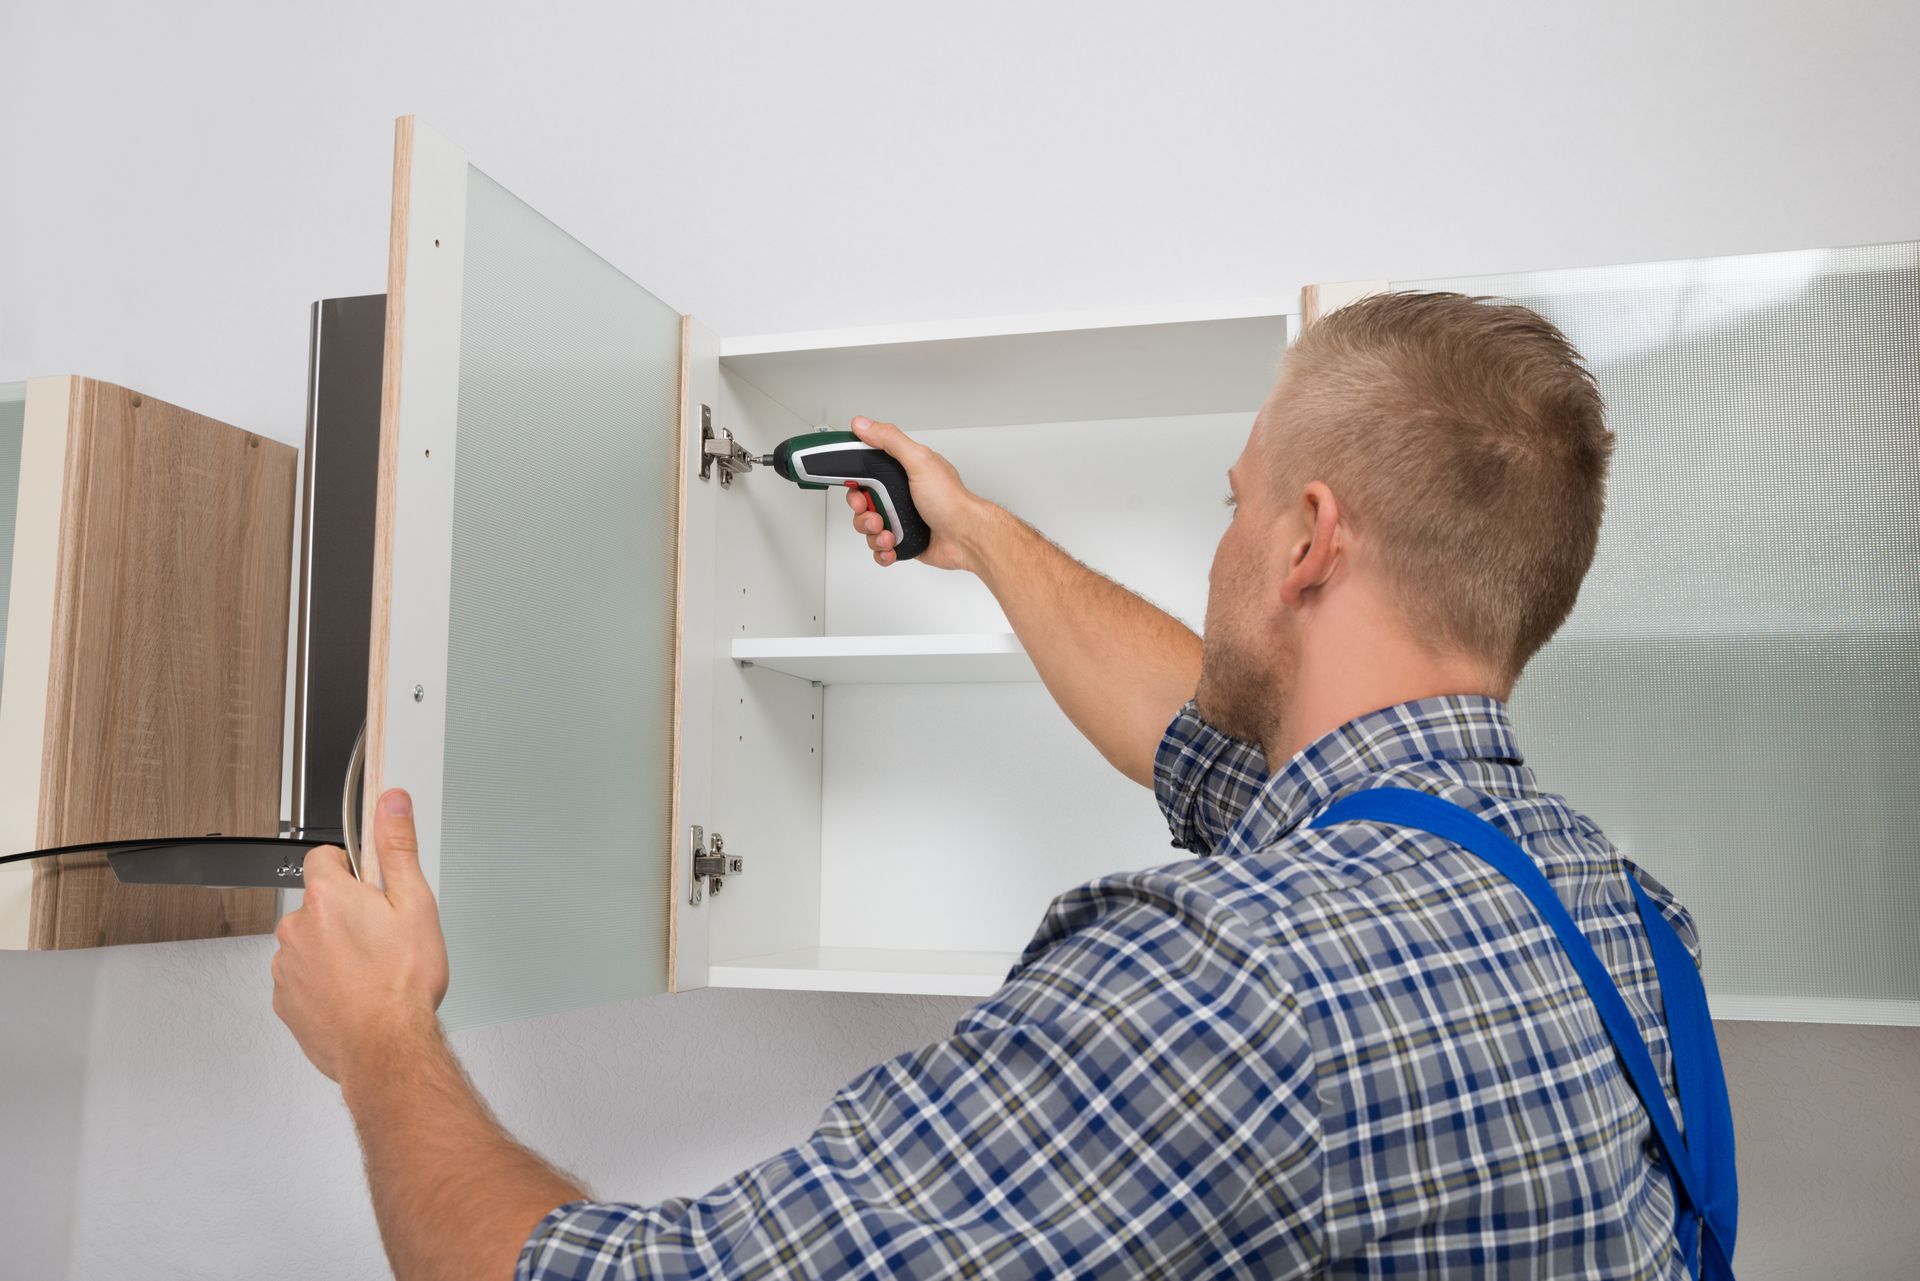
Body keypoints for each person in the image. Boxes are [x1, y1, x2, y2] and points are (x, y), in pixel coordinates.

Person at [272, 291, 1719, 1279]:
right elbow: (1209, 744)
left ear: (1308, 542)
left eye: (1237, 501)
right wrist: (970, 531)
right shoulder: (1615, 912)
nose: (1225, 542)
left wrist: (383, 1035)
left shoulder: (1237, 988)